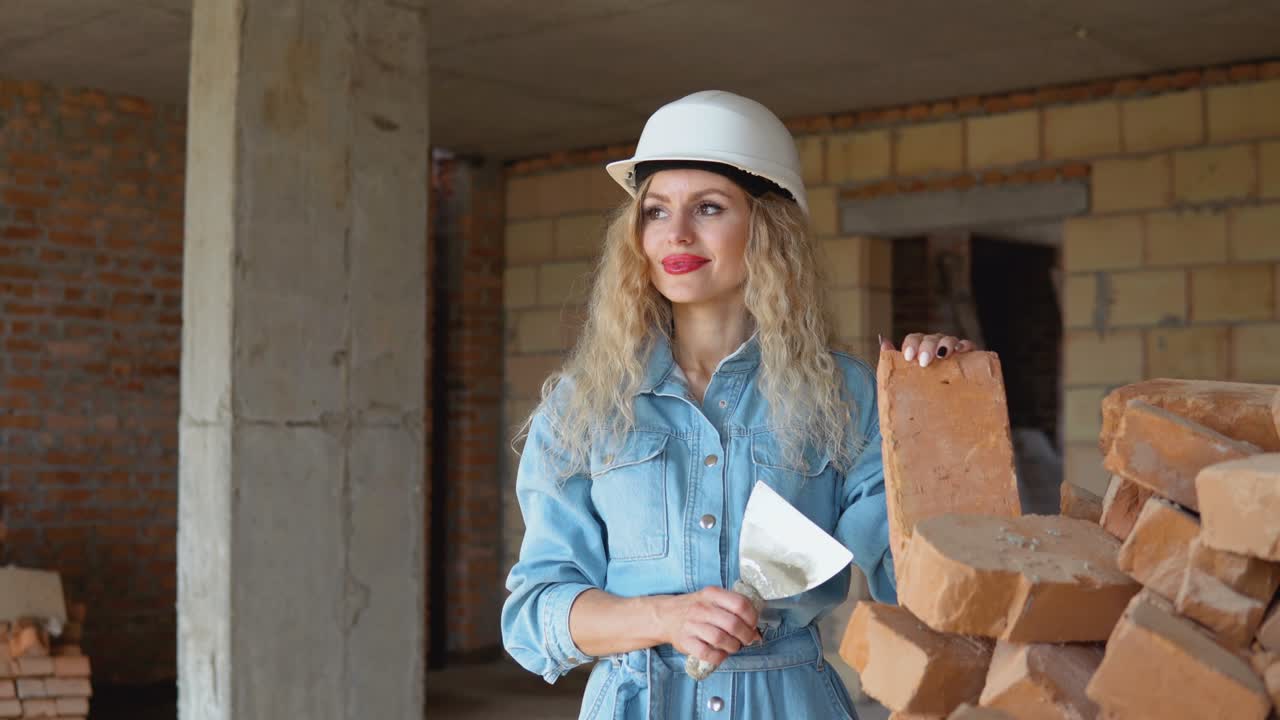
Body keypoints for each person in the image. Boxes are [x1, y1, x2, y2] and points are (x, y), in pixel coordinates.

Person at [501, 90, 974, 719]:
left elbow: (923, 587)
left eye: (709, 207)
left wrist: (940, 410)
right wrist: (665, 617)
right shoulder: (583, 404)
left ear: (767, 228)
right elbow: (534, 616)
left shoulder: (846, 395)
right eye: (656, 210)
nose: (677, 232)